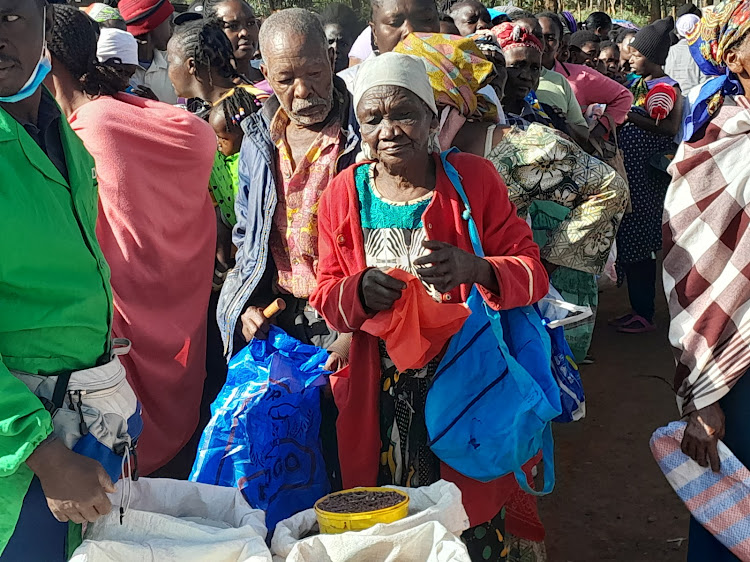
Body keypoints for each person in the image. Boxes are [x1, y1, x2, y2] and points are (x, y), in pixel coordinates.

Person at [310, 50, 549, 562]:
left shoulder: (473, 180)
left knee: (468, 515)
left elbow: (533, 271)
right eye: (373, 118)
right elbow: (325, 291)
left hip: (469, 381)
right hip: (381, 389)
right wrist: (357, 293)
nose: (390, 129)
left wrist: (477, 268)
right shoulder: (342, 193)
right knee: (393, 518)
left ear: (432, 118)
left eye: (405, 114)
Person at [47, 4, 217, 477]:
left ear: (47, 61)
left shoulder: (89, 128)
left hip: (125, 322)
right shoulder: (127, 111)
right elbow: (198, 137)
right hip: (167, 310)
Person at [0, 0, 141, 558]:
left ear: (45, 23)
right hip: (23, 456)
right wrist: (47, 457)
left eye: (9, 16)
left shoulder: (64, 137)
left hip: (81, 421)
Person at [218, 7, 360, 367]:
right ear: (265, 74)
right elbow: (245, 237)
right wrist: (245, 309)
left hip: (349, 320)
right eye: (285, 79)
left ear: (331, 60)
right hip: (278, 316)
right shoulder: (256, 139)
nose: (303, 90)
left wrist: (351, 337)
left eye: (314, 72)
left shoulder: (361, 136)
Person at [663, 2, 750, 560]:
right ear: (736, 54)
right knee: (729, 515)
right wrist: (700, 396)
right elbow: (692, 276)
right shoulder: (722, 142)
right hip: (739, 374)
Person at [612, 16, 682, 334]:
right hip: (632, 175)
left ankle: (645, 312)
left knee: (641, 242)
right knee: (631, 239)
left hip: (647, 180)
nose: (631, 59)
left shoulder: (669, 88)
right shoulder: (640, 84)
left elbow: (669, 127)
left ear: (654, 58)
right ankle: (639, 307)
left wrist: (629, 116)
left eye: (637, 55)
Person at [536, 13, 633, 142]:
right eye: (537, 36)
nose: (542, 43)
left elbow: (624, 96)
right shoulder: (513, 73)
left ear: (560, 44)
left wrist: (596, 132)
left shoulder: (582, 75)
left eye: (550, 38)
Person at [167, 18, 256, 117]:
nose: (168, 69)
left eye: (170, 61)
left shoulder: (229, 113)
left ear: (192, 65)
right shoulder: (236, 99)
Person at [118, 0, 176, 103]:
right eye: (168, 22)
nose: (172, 29)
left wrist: (155, 107)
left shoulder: (174, 64)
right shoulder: (117, 69)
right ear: (151, 27)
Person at [202, 0, 263, 83]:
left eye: (251, 23)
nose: (245, 32)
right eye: (233, 26)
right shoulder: (206, 91)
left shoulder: (276, 83)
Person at [664, 14, 705, 93]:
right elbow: (705, 81)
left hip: (672, 99)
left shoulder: (668, 52)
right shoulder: (700, 52)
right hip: (694, 100)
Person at [319, 3, 363, 73]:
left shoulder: (360, 77)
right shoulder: (312, 78)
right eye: (330, 42)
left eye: (343, 44)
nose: (335, 48)